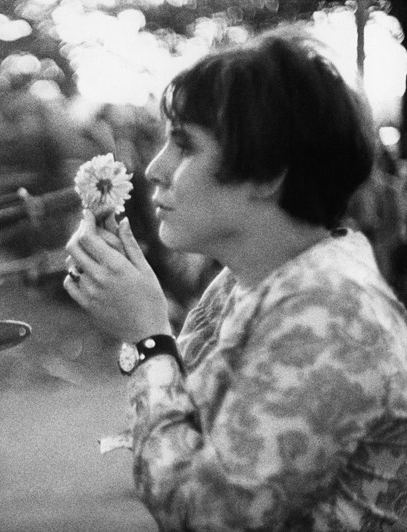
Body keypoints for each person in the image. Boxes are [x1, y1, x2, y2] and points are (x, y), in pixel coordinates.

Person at [63, 26, 407, 530]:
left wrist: (146, 340)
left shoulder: (331, 312)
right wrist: (140, 322)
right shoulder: (249, 282)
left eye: (185, 145)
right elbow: (189, 430)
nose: (156, 168)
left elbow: (209, 516)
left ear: (269, 173)